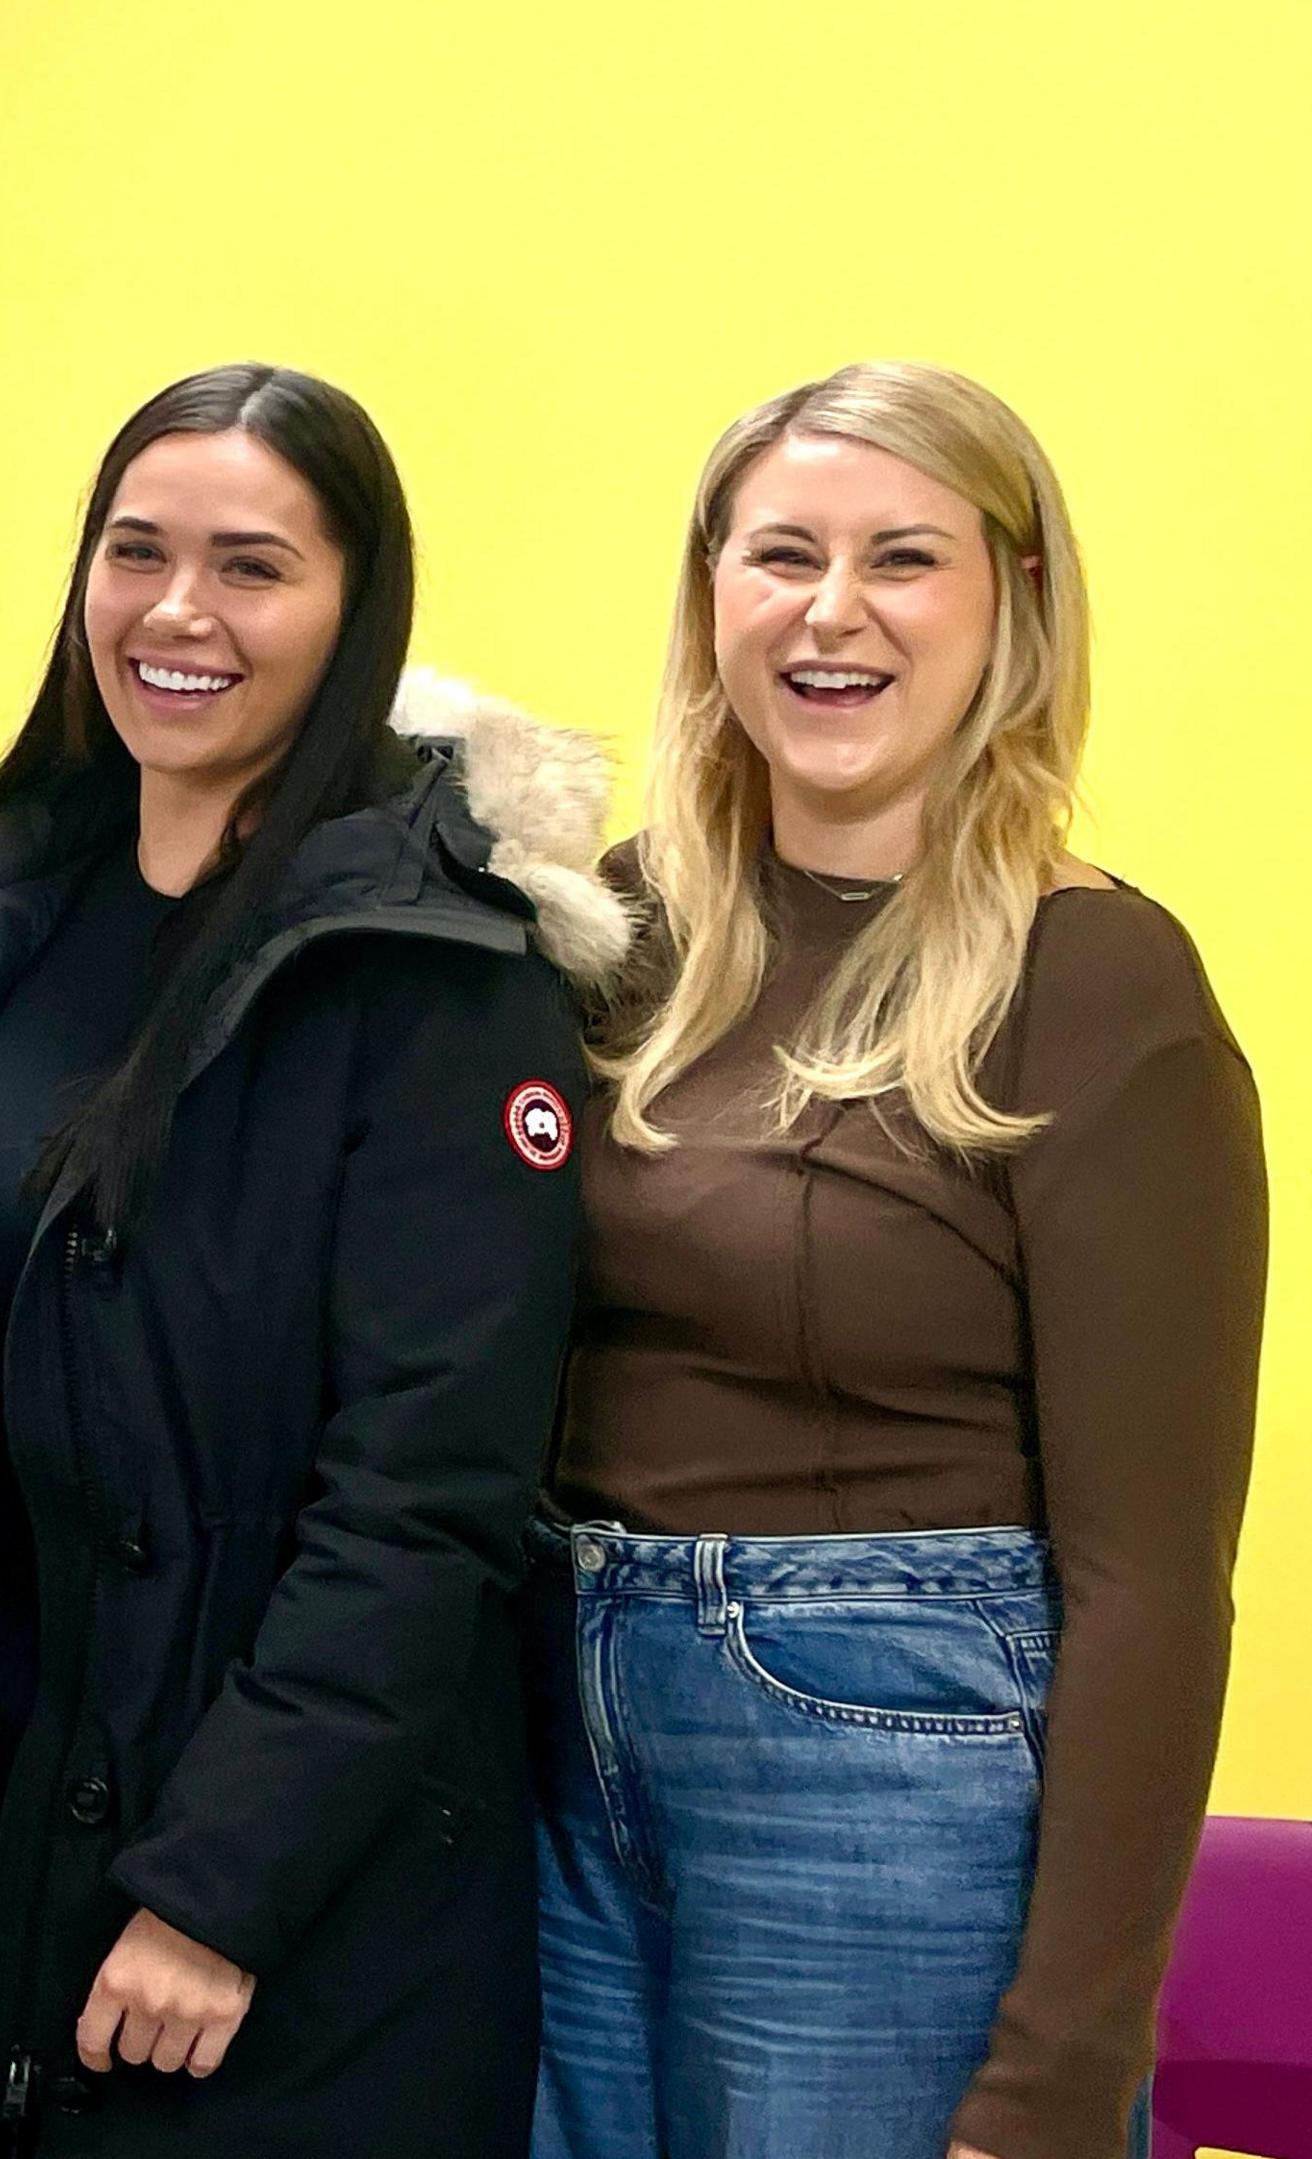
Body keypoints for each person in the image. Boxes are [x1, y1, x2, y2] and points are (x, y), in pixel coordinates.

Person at [0, 363, 627, 2156]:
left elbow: (425, 1497)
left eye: (253, 566)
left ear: (356, 613)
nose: (177, 612)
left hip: (258, 1898)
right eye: (136, 553)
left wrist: (220, 1890)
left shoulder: (437, 980)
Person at [535, 362, 1266, 2159]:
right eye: (782, 553)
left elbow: (1155, 1582)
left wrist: (1068, 2067)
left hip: (891, 1765)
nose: (831, 611)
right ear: (713, 595)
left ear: (1014, 605)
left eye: (905, 559)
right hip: (563, 1736)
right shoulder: (613, 939)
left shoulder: (1099, 989)